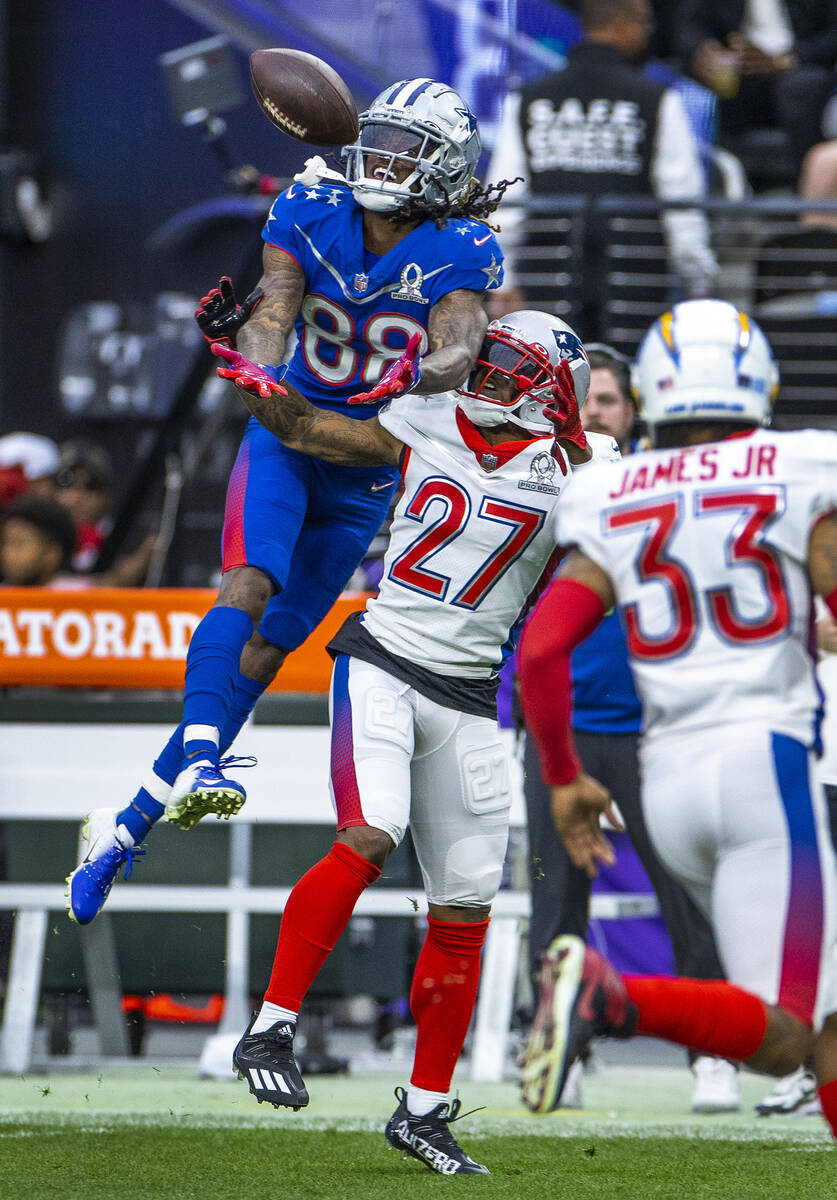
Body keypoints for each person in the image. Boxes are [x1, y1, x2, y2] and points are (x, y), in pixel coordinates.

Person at [66, 78, 511, 926]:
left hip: (367, 469)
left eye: (405, 148)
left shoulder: (463, 246)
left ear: (446, 168)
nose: (381, 159)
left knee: (267, 657)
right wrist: (256, 366)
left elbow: (457, 347)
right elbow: (272, 312)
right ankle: (202, 754)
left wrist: (417, 372)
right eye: (376, 139)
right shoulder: (313, 201)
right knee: (247, 582)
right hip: (285, 433)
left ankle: (124, 830)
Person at [211, 309, 617, 1174]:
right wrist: (256, 376)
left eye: (509, 366)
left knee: (465, 907)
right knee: (369, 833)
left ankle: (425, 1111)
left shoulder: (584, 474)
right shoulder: (425, 417)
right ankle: (272, 1025)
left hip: (470, 695)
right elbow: (313, 428)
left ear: (549, 390)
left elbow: (632, 504)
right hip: (384, 662)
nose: (484, 372)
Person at [516, 298, 837, 1140]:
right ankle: (611, 1000)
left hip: (667, 782)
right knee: (785, 1035)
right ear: (758, 382)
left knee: (828, 1015)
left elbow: (541, 653)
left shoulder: (611, 488)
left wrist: (560, 778)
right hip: (764, 773)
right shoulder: (801, 466)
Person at [519, 342, 738, 1115]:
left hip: (660, 726)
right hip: (562, 729)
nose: (593, 413)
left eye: (606, 401)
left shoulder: (662, 489)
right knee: (554, 900)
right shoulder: (533, 482)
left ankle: (712, 1053)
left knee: (689, 893)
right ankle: (559, 1048)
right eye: (581, 401)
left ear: (634, 410)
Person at [487, 0, 717, 338]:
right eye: (646, 23)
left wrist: (502, 281)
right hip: (634, 293)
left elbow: (506, 199)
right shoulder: (656, 98)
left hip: (549, 289)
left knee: (551, 385)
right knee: (622, 385)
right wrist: (699, 283)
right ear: (628, 23)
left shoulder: (529, 98)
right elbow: (680, 204)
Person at [681, 0, 837, 174]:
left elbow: (832, 37)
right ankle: (721, 186)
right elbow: (689, 26)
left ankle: (809, 186)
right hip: (739, 72)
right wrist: (702, 52)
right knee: (703, 91)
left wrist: (783, 61)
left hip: (800, 68)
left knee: (802, 87)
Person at [0, 494, 79, 587]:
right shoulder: (4, 592)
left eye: (18, 544)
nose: (5, 553)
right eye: (4, 543)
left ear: (51, 554)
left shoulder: (81, 596)